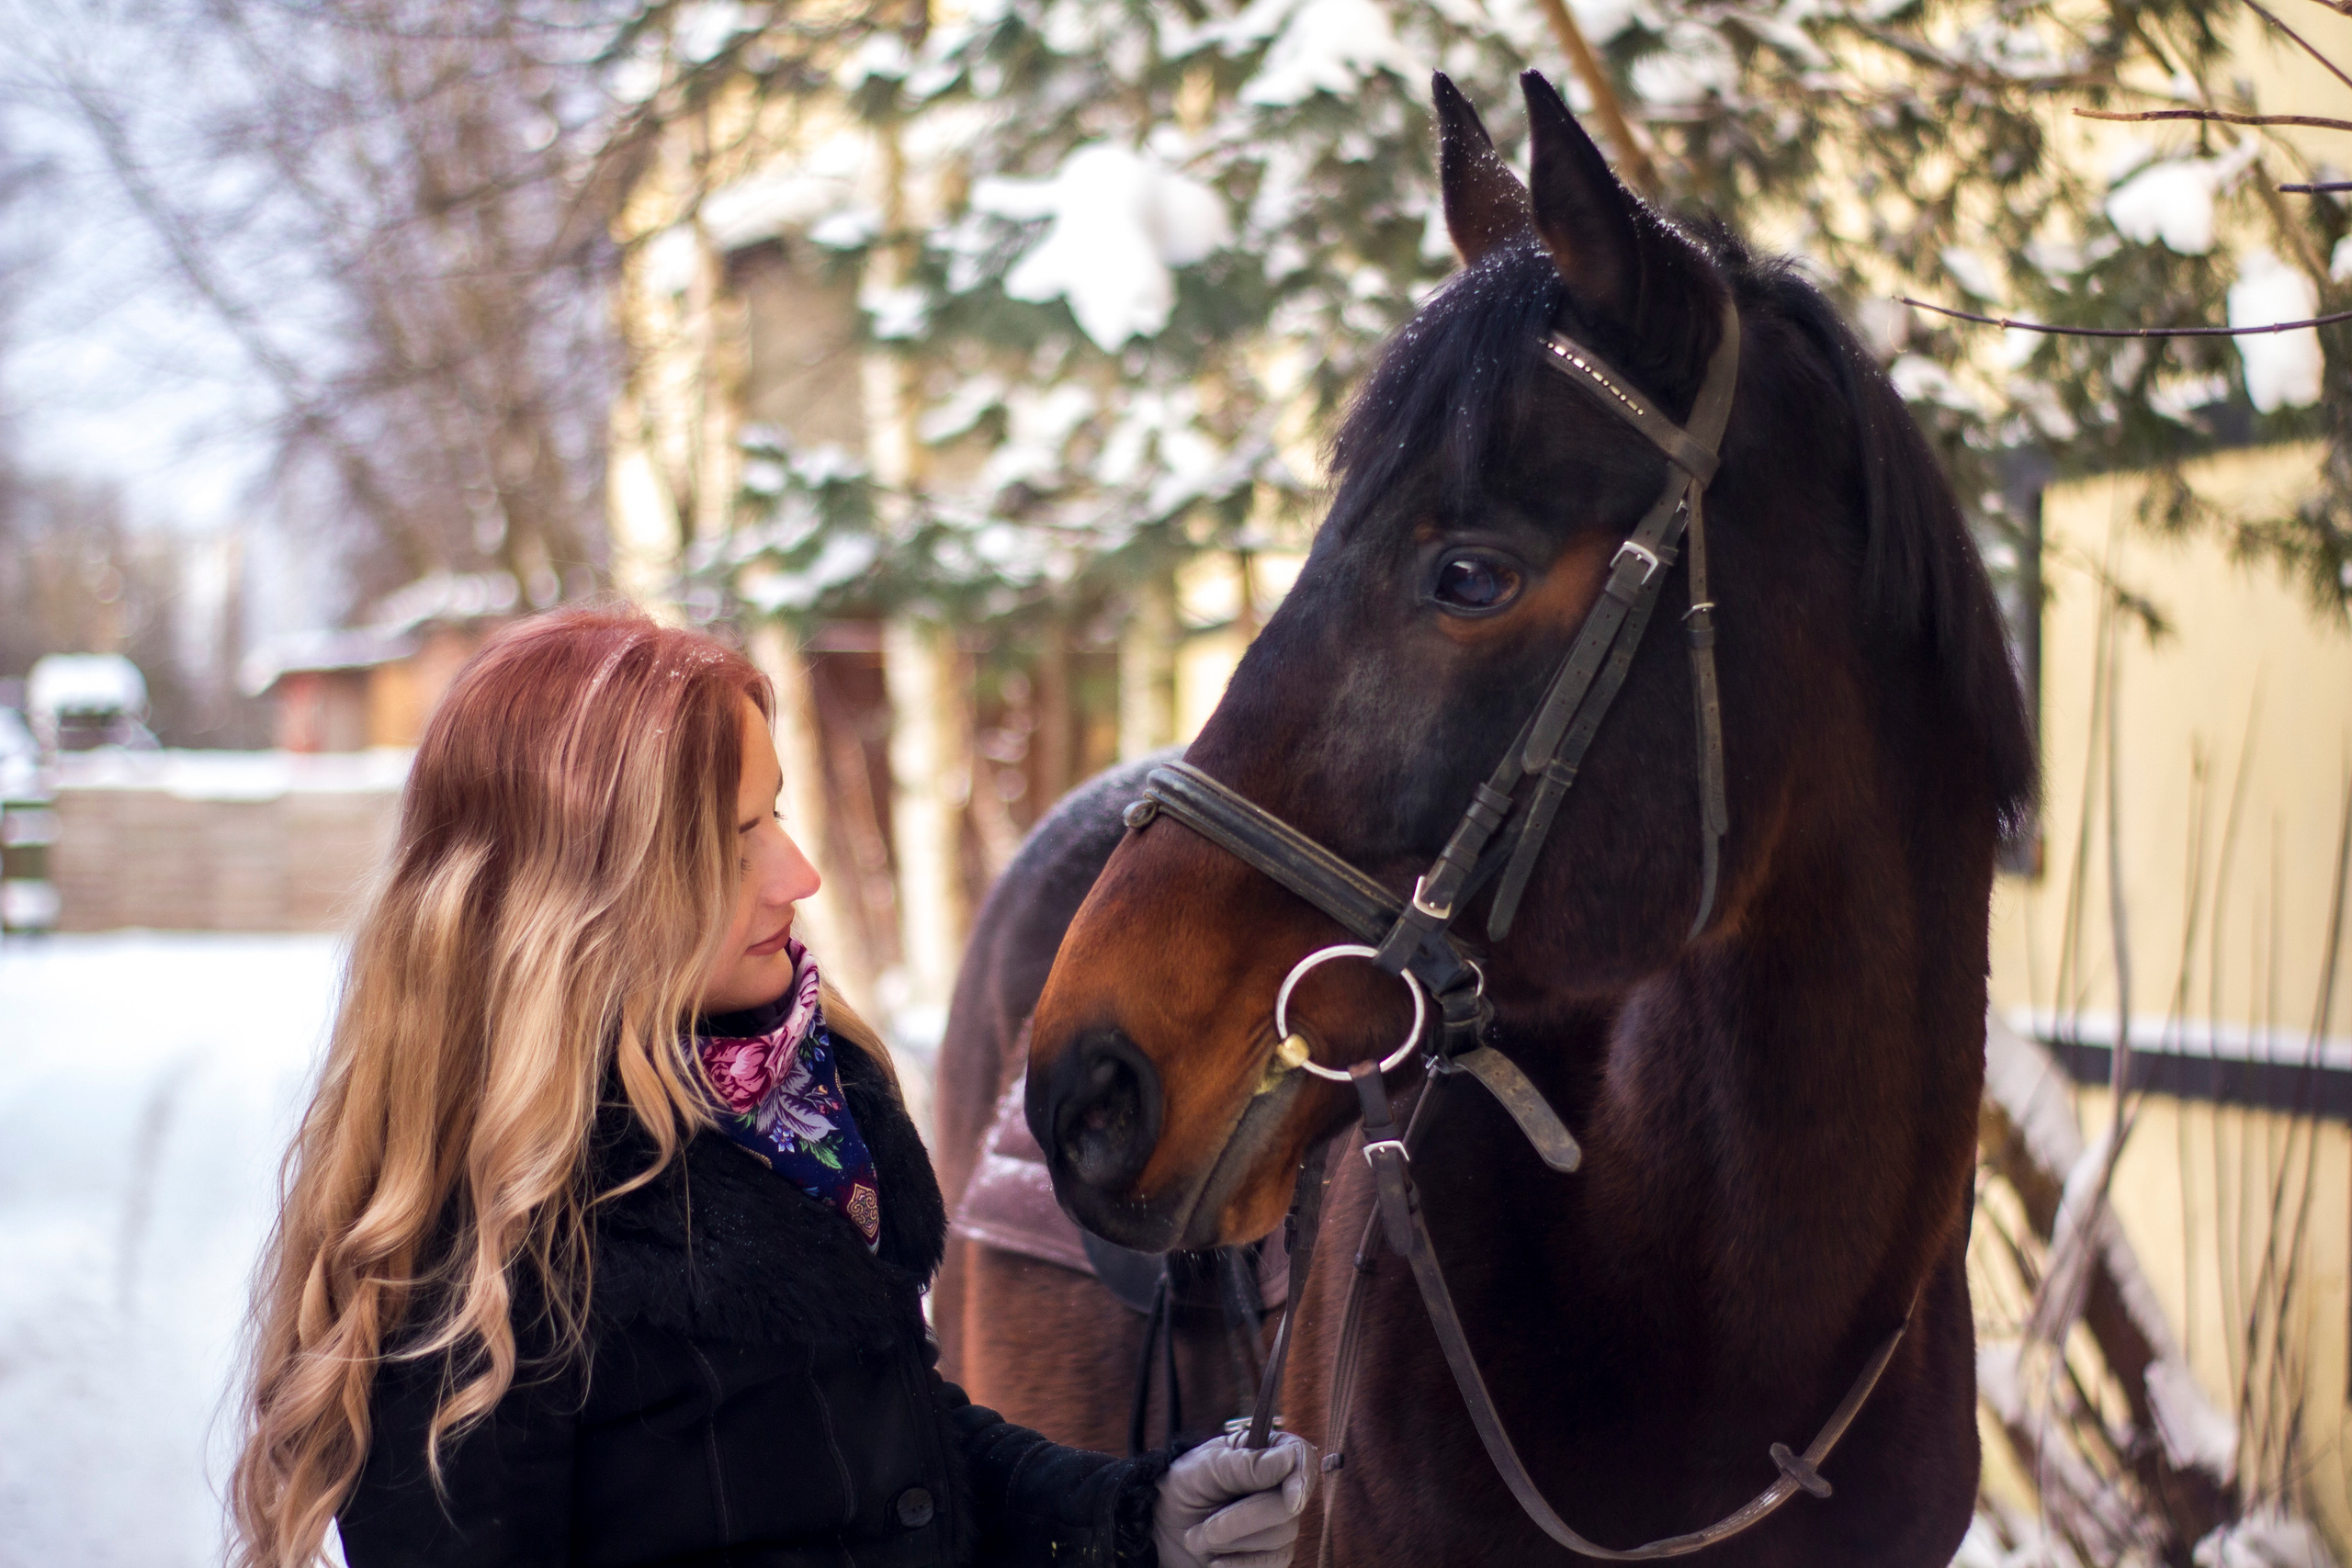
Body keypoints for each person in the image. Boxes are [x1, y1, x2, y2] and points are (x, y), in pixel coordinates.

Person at [228, 608, 1312, 1568]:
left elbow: (896, 1459)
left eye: (776, 814)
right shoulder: (481, 1255)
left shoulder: (802, 1111)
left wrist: (1134, 1519)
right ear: (583, 888)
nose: (799, 873)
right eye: (734, 837)